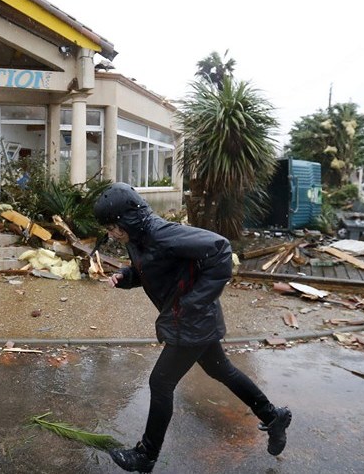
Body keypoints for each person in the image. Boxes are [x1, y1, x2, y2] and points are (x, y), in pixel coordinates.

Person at [93, 182, 291, 473]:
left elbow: (221, 251)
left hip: (191, 322)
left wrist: (193, 302)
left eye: (112, 227)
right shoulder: (138, 239)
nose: (110, 234)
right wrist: (125, 276)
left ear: (126, 219)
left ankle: (146, 456)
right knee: (220, 369)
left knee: (161, 382)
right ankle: (273, 416)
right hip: (191, 319)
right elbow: (150, 270)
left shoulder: (162, 233)